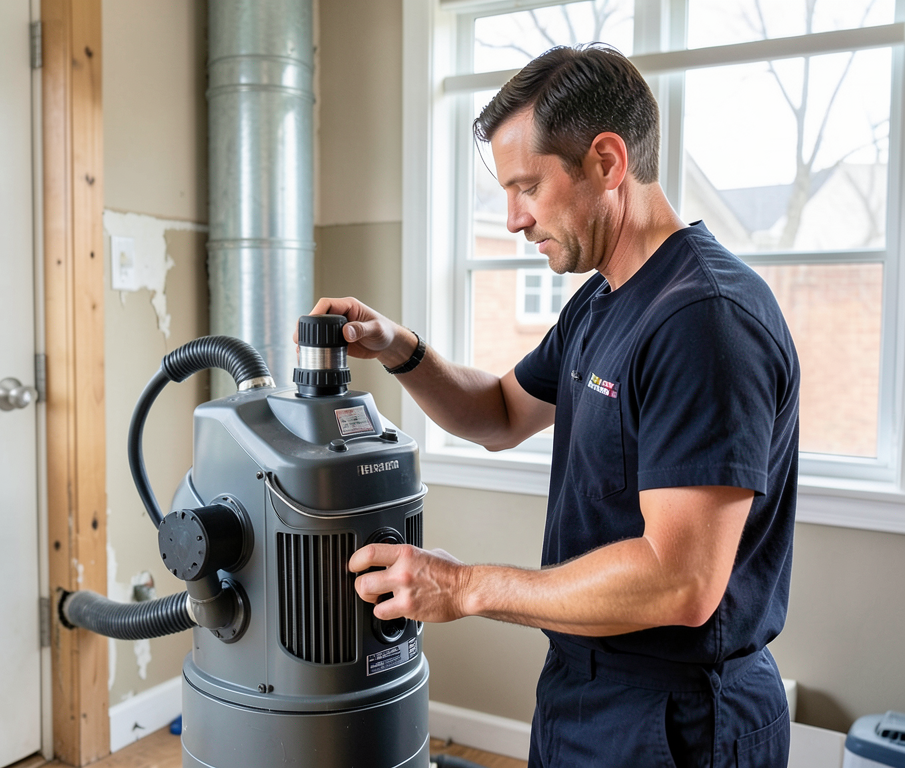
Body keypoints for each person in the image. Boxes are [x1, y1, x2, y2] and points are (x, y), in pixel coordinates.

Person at [309, 44, 798, 768]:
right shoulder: (602, 303)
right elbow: (501, 414)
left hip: (680, 719)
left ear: (606, 161)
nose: (512, 219)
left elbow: (682, 581)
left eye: (527, 187)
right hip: (583, 690)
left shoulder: (704, 319)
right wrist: (399, 348)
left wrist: (466, 587)